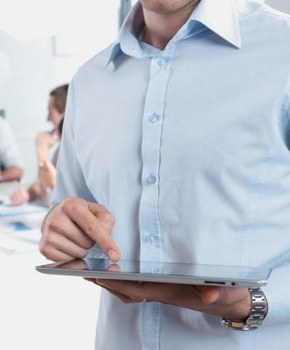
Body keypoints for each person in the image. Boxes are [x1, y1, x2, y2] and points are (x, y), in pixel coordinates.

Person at [39, 0, 290, 348]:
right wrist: (62, 228)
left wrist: (255, 302)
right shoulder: (89, 81)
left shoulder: (284, 53)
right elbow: (71, 210)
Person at [10, 84, 68, 207]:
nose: (47, 118)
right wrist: (28, 194)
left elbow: (54, 202)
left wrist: (42, 151)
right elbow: (40, 184)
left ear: (64, 114)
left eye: (50, 112)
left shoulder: (75, 153)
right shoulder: (60, 149)